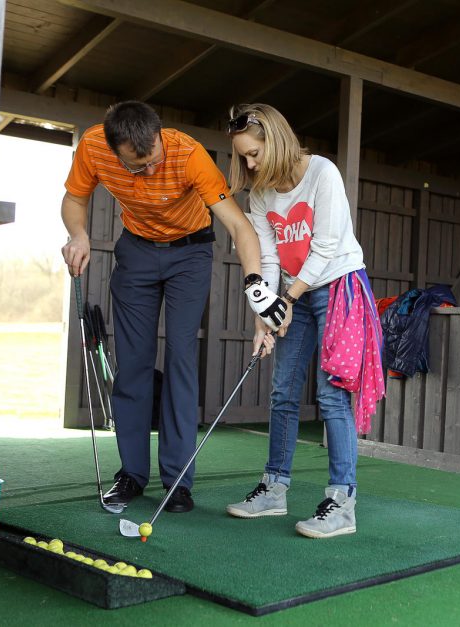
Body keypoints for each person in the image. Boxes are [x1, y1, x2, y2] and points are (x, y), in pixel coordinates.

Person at [61, 101, 285, 514]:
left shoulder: (188, 154)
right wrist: (79, 234)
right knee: (132, 363)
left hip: (190, 254)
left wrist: (256, 287)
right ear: (115, 150)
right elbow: (74, 200)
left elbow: (239, 226)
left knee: (181, 358)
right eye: (138, 166)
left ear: (160, 136)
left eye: (154, 161)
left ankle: (178, 481)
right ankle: (131, 473)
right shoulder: (94, 146)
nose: (150, 172)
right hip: (137, 252)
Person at [224, 103, 385, 538]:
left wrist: (289, 298)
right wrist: (265, 313)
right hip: (295, 291)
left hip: (337, 286)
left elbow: (328, 244)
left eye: (254, 153)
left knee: (331, 396)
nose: (250, 164)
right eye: (244, 157)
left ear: (274, 140)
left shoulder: (322, 173)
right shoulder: (260, 193)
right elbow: (270, 256)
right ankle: (274, 488)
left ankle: (342, 502)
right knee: (283, 392)